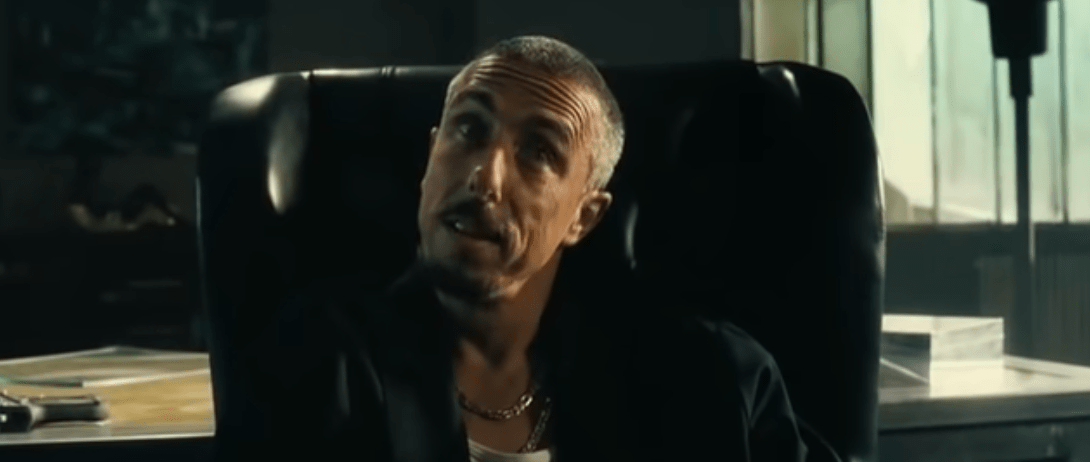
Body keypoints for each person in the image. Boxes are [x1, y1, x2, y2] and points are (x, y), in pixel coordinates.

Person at [218, 36, 809, 462]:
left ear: (584, 216)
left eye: (539, 152)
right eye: (468, 130)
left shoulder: (712, 376)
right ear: (430, 158)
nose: (485, 177)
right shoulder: (315, 366)